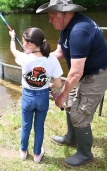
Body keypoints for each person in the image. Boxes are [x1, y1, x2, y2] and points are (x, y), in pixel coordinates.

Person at [36, 0, 107, 168]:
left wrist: (61, 94)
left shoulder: (80, 30)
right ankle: (71, 138)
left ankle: (85, 154)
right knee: (70, 104)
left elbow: (75, 72)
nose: (49, 20)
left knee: (79, 112)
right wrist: (39, 62)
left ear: (63, 14)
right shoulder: (66, 27)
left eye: (51, 16)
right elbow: (59, 53)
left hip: (99, 73)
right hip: (84, 71)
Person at [9, 27, 63, 163]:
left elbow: (13, 51)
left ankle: (23, 151)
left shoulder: (24, 58)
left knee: (26, 125)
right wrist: (48, 85)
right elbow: (58, 83)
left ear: (30, 44)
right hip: (43, 97)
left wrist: (12, 37)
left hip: (27, 97)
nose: (23, 44)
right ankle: (37, 154)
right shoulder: (52, 60)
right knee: (39, 126)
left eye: (23, 42)